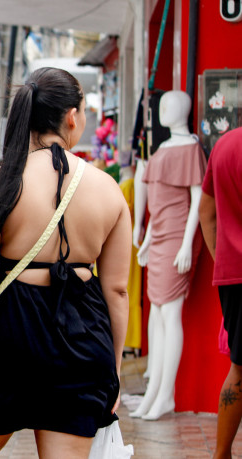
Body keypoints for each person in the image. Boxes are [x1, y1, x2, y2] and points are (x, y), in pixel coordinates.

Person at [0, 67, 130, 458]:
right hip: (82, 340)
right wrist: (113, 373)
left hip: (10, 337)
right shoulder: (108, 189)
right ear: (72, 117)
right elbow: (117, 291)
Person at [130, 90, 206, 421]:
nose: (163, 109)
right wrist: (145, 238)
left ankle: (166, 395)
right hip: (159, 237)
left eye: (170, 104)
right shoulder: (161, 149)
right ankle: (153, 392)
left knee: (170, 315)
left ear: (185, 110)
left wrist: (188, 243)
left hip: (176, 239)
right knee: (158, 316)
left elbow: (198, 199)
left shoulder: (191, 149)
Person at [198, 126, 242, 459]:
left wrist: (222, 259)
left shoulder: (225, 145)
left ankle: (222, 453)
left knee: (239, 367)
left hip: (233, 276)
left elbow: (207, 213)